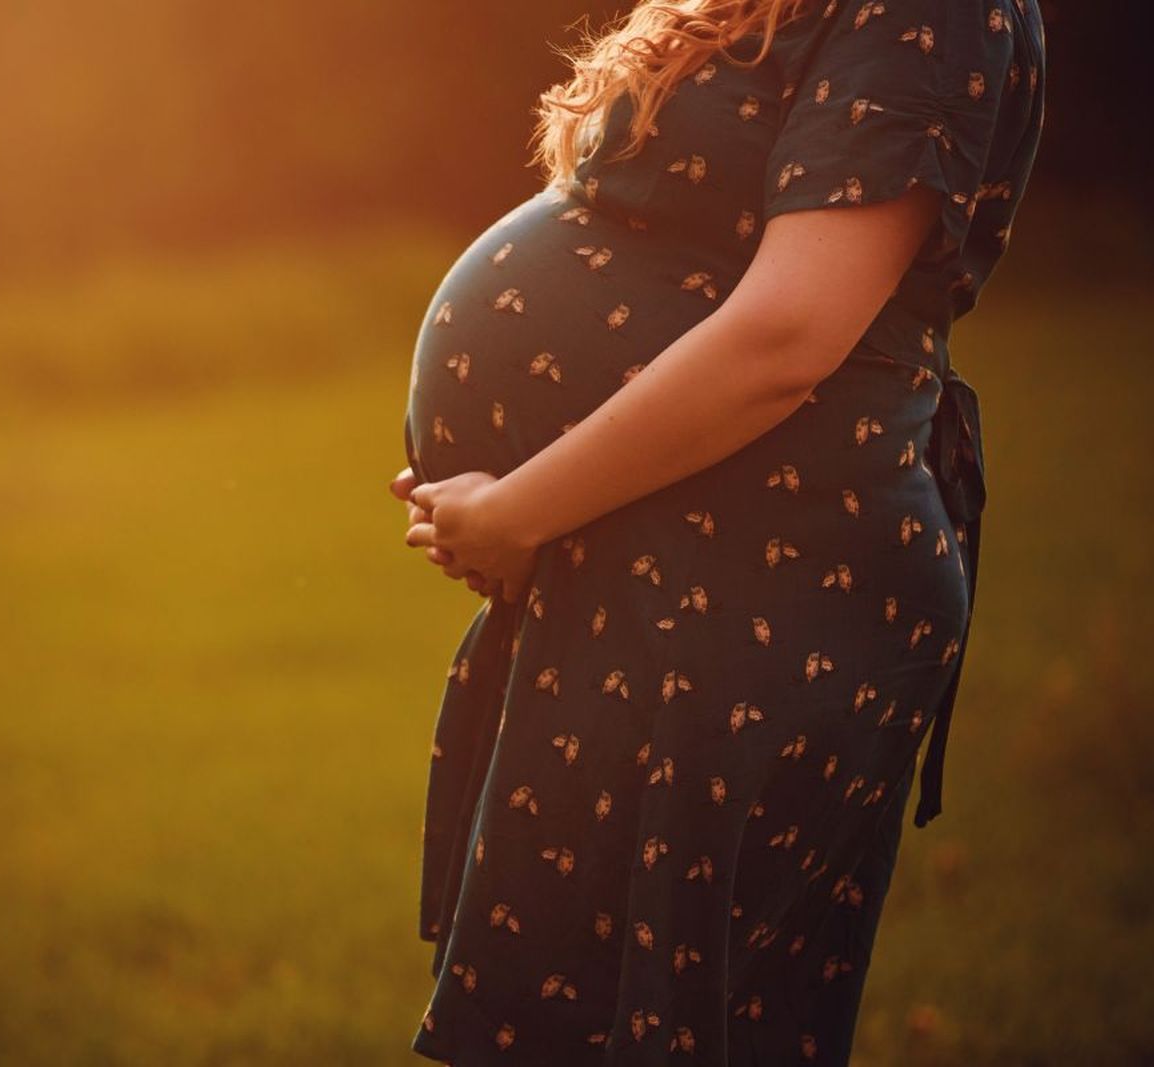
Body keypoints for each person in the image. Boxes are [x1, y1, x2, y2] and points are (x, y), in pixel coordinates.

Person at [390, 0, 1045, 1061]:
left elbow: (789, 332)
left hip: (758, 595)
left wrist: (517, 509)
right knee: (564, 1025)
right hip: (646, 574)